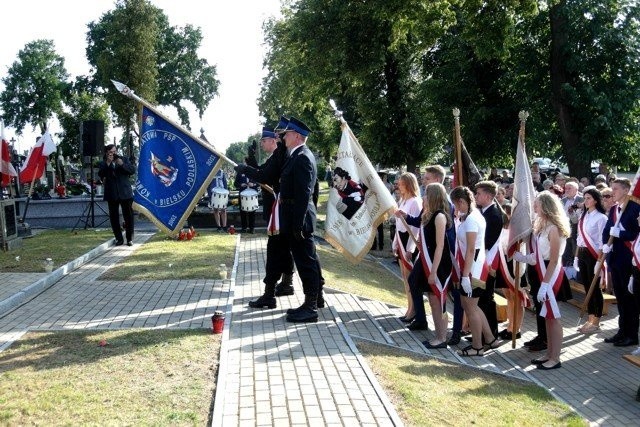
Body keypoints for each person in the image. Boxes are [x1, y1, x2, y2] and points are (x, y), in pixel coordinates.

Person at [235, 125, 297, 308]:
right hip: (280, 210)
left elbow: (263, 175)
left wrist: (245, 168)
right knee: (284, 250)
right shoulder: (282, 155)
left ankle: (272, 292)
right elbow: (263, 172)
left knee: (276, 251)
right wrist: (250, 162)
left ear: (273, 140)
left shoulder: (282, 155)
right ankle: (285, 284)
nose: (262, 143)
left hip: (280, 210)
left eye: (264, 140)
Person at [514, 191, 572, 369]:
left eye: (537, 204)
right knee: (546, 317)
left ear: (546, 206)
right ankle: (548, 354)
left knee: (554, 318)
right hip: (541, 274)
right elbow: (538, 255)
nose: (534, 207)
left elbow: (553, 259)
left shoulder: (555, 228)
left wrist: (546, 285)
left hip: (551, 276)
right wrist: (522, 258)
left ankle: (555, 358)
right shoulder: (542, 226)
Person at [279, 116, 322, 323]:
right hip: (296, 217)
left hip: (299, 219)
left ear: (296, 136)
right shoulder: (297, 155)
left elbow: (305, 193)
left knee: (306, 263)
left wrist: (299, 223)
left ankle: (311, 306)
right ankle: (310, 302)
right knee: (305, 260)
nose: (283, 137)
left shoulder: (303, 157)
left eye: (287, 134)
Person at [450, 186, 498, 356]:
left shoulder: (471, 219)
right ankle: (490, 338)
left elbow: (471, 249)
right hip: (474, 267)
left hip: (473, 270)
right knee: (472, 306)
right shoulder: (471, 216)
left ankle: (477, 346)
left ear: (462, 201)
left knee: (470, 308)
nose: (456, 208)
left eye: (456, 205)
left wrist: (464, 276)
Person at [409, 183, 453, 348]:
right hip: (428, 260)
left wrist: (433, 272)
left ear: (434, 197)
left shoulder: (440, 217)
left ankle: (442, 338)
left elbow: (440, 246)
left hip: (438, 264)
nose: (423, 197)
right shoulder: (427, 215)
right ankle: (438, 335)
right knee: (433, 300)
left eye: (426, 194)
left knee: (438, 299)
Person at [602, 178, 640, 347]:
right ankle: (622, 331)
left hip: (628, 259)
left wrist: (621, 233)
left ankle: (632, 334)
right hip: (615, 258)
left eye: (616, 189)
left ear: (626, 190)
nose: (612, 192)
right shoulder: (614, 209)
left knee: (628, 298)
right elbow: (607, 230)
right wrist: (605, 245)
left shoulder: (634, 208)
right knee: (620, 297)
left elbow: (635, 235)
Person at [574, 188, 607, 333]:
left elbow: (602, 241)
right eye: (584, 198)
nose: (585, 201)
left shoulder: (601, 218)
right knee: (587, 287)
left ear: (595, 200)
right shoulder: (583, 216)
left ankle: (596, 322)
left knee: (595, 289)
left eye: (588, 198)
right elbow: (579, 238)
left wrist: (599, 261)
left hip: (593, 255)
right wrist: (575, 256)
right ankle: (590, 318)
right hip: (581, 253)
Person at [475, 180, 504, 338]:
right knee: (480, 300)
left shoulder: (493, 215)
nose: (476, 196)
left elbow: (485, 242)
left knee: (486, 299)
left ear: (487, 195)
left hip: (488, 262)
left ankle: (490, 334)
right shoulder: (482, 212)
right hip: (480, 261)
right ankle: (480, 331)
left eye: (479, 193)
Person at [392, 172, 422, 324]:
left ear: (409, 185)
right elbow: (399, 223)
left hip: (409, 241)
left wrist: (410, 248)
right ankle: (409, 306)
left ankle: (413, 309)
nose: (399, 186)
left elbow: (415, 228)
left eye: (402, 184)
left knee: (410, 277)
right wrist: (395, 243)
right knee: (404, 276)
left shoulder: (415, 202)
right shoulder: (403, 200)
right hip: (401, 238)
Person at [98, 144, 136, 246]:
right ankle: (119, 239)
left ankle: (129, 239)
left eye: (114, 151)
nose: (113, 154)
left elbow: (132, 170)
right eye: (111, 152)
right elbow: (101, 174)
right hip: (112, 193)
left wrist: (122, 164)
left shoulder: (123, 159)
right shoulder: (103, 163)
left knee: (129, 216)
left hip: (125, 192)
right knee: (114, 217)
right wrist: (108, 163)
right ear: (107, 153)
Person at [234, 166, 257, 233]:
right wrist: (241, 184)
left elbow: (259, 183)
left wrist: (253, 184)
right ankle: (244, 228)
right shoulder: (240, 172)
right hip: (242, 195)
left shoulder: (254, 171)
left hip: (252, 195)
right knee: (242, 211)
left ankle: (252, 228)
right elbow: (235, 184)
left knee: (252, 211)